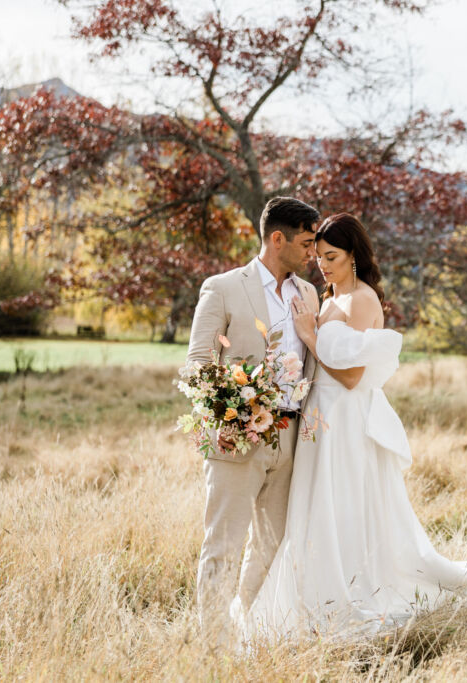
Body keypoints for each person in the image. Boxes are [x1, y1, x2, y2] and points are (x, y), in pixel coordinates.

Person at [230, 213, 467, 641]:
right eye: (319, 256)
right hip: (320, 417)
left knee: (341, 500)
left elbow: (353, 375)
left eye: (332, 256)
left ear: (353, 255)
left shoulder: (362, 300)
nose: (323, 264)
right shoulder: (329, 297)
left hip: (345, 417)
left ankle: (354, 587)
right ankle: (316, 583)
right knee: (319, 502)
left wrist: (311, 334)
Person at [185, 196, 321, 643]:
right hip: (237, 437)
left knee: (272, 545)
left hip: (292, 437)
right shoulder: (223, 287)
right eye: (306, 242)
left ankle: (250, 631)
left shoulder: (308, 293)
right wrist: (232, 413)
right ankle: (213, 645)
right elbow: (198, 363)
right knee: (223, 544)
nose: (313, 253)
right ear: (276, 238)